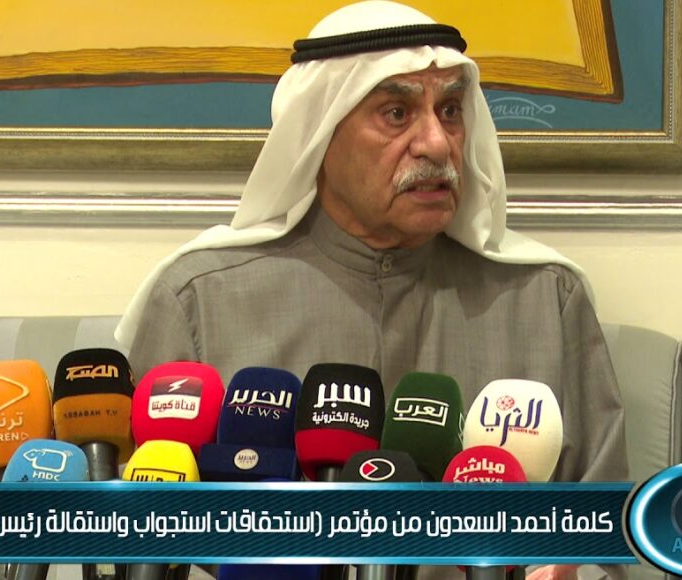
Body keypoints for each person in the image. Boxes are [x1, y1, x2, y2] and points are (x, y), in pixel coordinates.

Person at [116, 2, 628, 578]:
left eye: (451, 111)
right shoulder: (199, 300)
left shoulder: (544, 299)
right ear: (318, 134)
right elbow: (133, 537)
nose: (437, 143)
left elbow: (612, 537)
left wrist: (575, 566)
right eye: (396, 113)